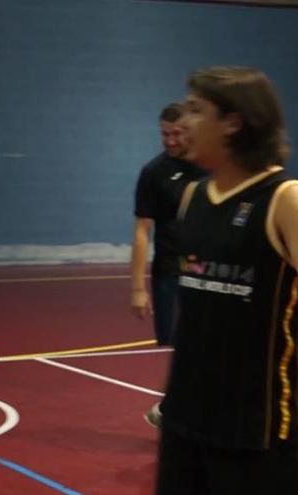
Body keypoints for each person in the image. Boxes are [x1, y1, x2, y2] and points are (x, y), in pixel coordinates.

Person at [156, 66, 298, 495]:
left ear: (233, 121)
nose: (182, 122)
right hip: (184, 416)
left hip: (258, 424)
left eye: (196, 110)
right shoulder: (193, 197)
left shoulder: (287, 198)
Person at [131, 102, 206, 427]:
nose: (171, 140)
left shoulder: (211, 168)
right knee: (180, 347)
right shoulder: (153, 173)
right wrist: (137, 288)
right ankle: (173, 410)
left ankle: (172, 410)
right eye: (165, 134)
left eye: (178, 133)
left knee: (201, 346)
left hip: (207, 272)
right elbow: (142, 232)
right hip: (169, 275)